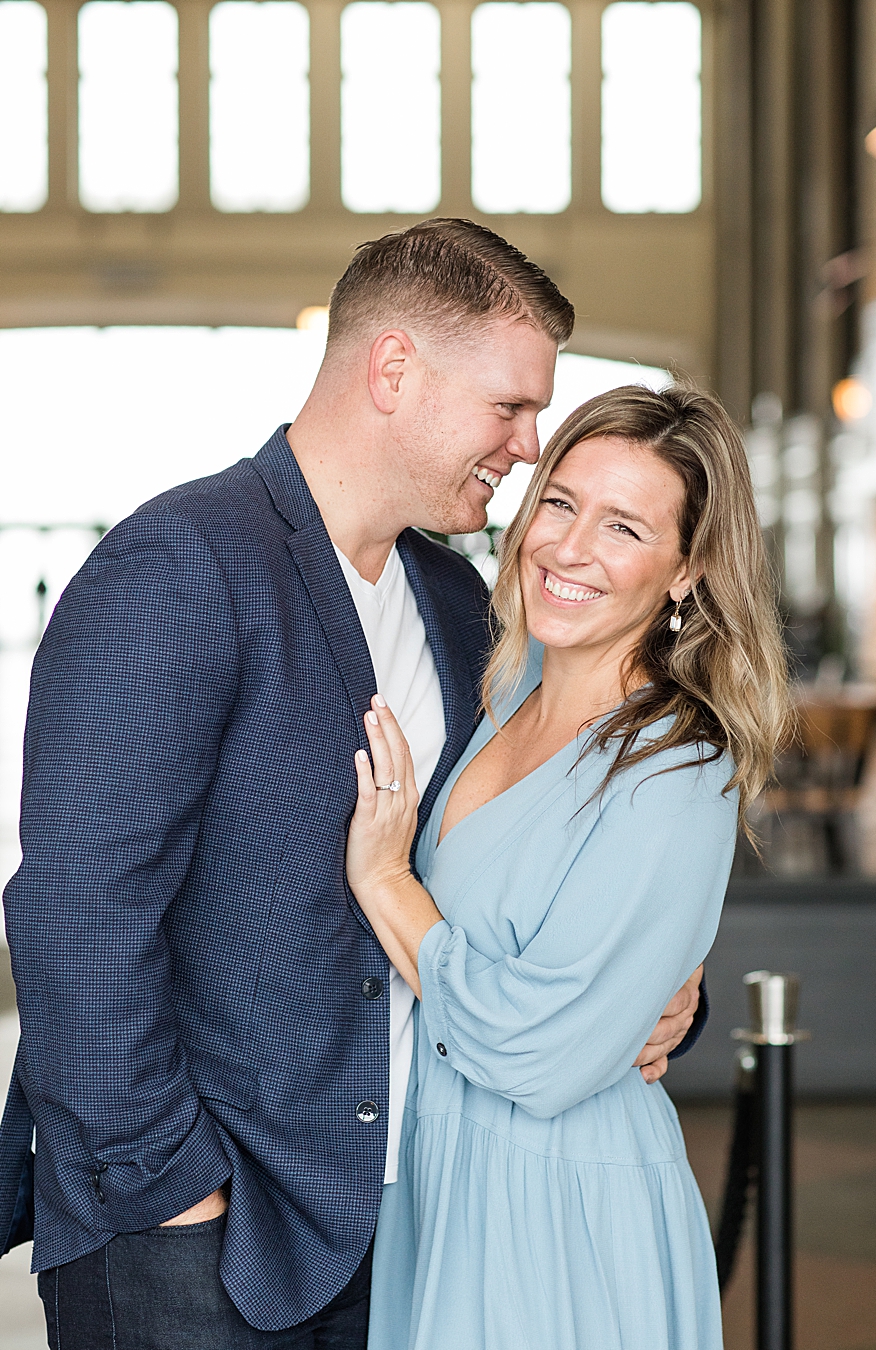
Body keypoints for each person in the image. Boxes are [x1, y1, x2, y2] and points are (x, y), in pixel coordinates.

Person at [0, 219, 705, 1345]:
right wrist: (176, 1197)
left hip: (401, 1222)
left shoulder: (457, 598)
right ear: (393, 370)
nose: (529, 449)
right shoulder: (180, 563)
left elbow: (525, 859)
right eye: (510, 407)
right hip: (197, 1232)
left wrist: (654, 984)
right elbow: (78, 917)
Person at [349, 383, 789, 1348]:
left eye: (624, 526)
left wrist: (387, 882)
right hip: (441, 1180)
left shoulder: (678, 765)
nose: (569, 547)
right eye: (560, 501)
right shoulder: (503, 691)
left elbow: (540, 1054)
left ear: (690, 569)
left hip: (562, 1207)